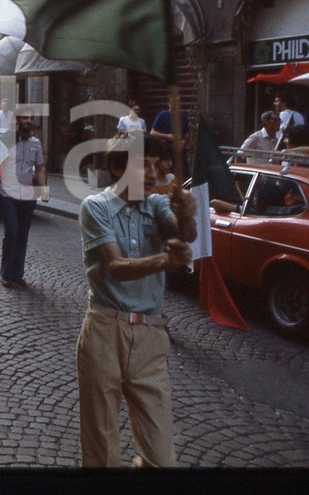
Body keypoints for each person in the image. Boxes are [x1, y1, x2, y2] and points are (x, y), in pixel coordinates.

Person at [76, 133, 197, 467]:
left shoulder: (157, 204)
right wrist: (164, 261)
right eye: (143, 165)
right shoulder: (95, 207)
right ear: (117, 168)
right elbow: (115, 267)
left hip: (149, 336)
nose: (152, 175)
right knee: (101, 450)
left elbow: (185, 235)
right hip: (104, 331)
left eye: (156, 166)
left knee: (161, 458)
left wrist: (187, 215)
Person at [0, 107, 49, 288]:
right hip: (8, 194)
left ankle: (18, 274)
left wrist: (44, 188)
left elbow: (39, 168)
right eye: (25, 118)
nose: (29, 121)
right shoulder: (6, 140)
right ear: (17, 120)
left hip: (28, 196)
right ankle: (6, 273)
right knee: (12, 232)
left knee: (23, 235)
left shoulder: (36, 143)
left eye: (31, 118)